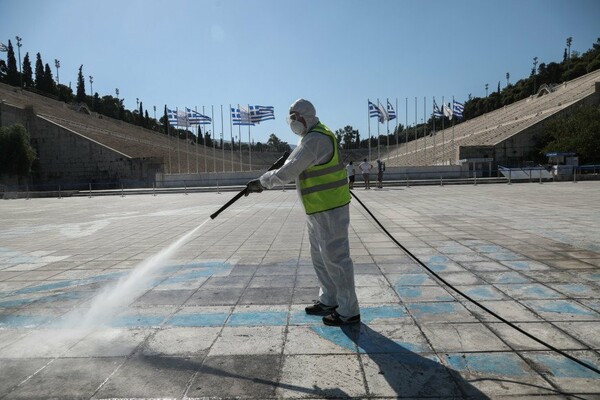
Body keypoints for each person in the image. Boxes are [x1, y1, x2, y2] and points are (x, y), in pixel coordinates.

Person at [245, 99, 360, 326]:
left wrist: (261, 183)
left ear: (306, 116)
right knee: (320, 257)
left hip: (330, 207)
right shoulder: (308, 138)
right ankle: (330, 299)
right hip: (317, 208)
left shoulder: (316, 139)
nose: (293, 122)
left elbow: (288, 172)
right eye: (291, 118)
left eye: (296, 117)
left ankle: (348, 310)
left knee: (336, 258)